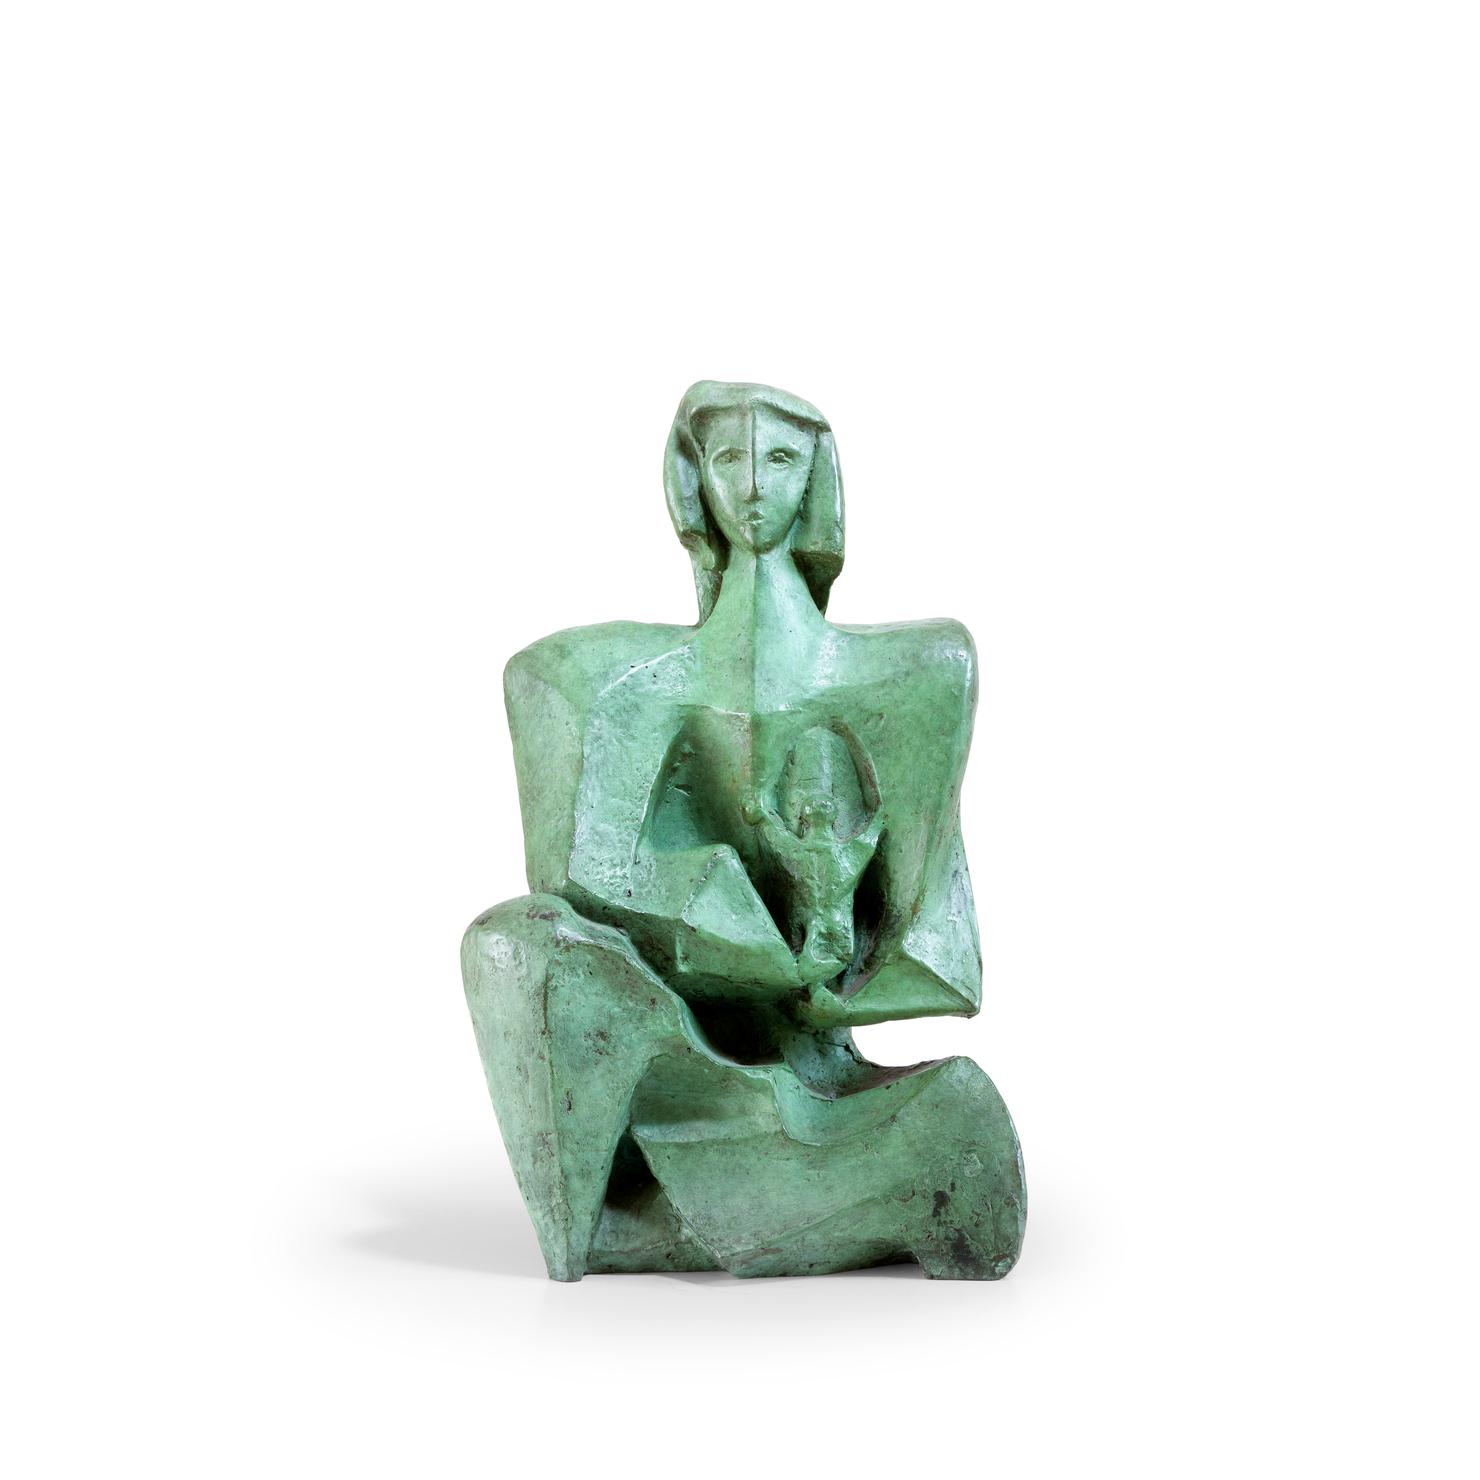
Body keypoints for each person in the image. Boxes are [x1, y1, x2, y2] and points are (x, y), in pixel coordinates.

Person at [463, 382, 1024, 1280]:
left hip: (819, 1077)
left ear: (816, 479)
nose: (754, 485)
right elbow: (576, 879)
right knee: (508, 943)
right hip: (682, 1052)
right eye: (729, 457)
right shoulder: (618, 682)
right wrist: (723, 924)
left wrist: (825, 969)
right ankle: (604, 1225)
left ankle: (731, 1213)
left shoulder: (916, 671)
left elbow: (939, 955)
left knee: (958, 1119)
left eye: (781, 458)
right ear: (694, 482)